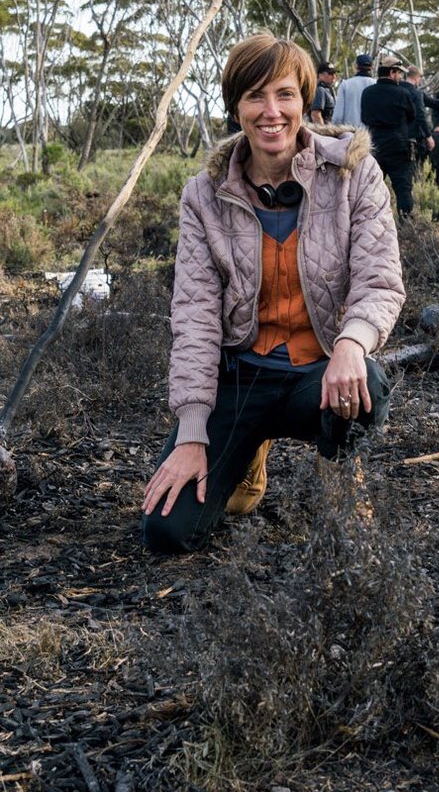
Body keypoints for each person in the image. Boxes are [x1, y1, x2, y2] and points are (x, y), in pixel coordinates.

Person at [141, 33, 404, 554]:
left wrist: (352, 343)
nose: (271, 112)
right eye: (254, 96)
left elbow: (380, 277)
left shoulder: (353, 173)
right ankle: (246, 453)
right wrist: (193, 429)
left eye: (284, 94)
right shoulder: (203, 195)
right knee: (167, 533)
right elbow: (194, 314)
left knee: (366, 384)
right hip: (242, 375)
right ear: (234, 106)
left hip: (321, 371)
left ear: (305, 100)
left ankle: (339, 467)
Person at [361, 55, 435, 217]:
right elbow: (412, 116)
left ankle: (371, 222)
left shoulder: (367, 93)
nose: (400, 77)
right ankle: (405, 223)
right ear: (392, 72)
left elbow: (364, 118)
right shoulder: (403, 94)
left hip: (374, 146)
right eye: (399, 73)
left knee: (371, 189)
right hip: (399, 146)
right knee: (403, 189)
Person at [332, 52, 375, 126]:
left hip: (350, 132)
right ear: (371, 67)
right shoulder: (376, 84)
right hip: (371, 133)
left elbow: (338, 115)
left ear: (356, 66)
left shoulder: (346, 84)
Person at [310, 60, 337, 124]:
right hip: (322, 130)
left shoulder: (328, 90)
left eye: (334, 73)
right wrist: (323, 132)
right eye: (330, 73)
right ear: (320, 75)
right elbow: (315, 115)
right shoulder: (320, 90)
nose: (334, 77)